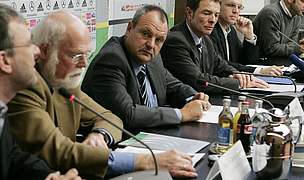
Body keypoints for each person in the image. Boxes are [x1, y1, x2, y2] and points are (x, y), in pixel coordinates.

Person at [7, 10, 197, 178]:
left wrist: (100, 135)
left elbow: (110, 118)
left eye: (86, 55)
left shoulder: (65, 82)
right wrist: (146, 161)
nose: (84, 64)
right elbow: (58, 151)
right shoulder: (26, 87)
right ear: (46, 51)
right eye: (76, 56)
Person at [82, 5, 211, 130]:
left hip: (153, 136)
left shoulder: (152, 57)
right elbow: (128, 114)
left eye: (159, 40)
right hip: (121, 143)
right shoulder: (111, 60)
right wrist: (182, 114)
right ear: (129, 28)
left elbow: (173, 86)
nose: (151, 44)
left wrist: (193, 97)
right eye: (145, 34)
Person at [0, 4, 80, 180]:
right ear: (5, 61)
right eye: (29, 44)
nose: (37, 51)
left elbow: (14, 157)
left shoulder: (2, 109)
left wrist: (49, 177)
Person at [160, 0, 269, 95]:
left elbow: (221, 66)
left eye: (216, 15)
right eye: (207, 13)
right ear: (189, 13)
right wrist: (238, 83)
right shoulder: (175, 40)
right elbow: (198, 80)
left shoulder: (205, 39)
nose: (212, 20)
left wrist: (239, 75)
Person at [210, 0, 283, 76]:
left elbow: (248, 61)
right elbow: (221, 63)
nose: (236, 11)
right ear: (218, 6)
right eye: (231, 5)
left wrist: (249, 36)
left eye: (239, 7)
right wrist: (259, 71)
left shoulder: (231, 31)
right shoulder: (210, 30)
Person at [253, 0, 304, 66]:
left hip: (280, 63)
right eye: (303, 1)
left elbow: (291, 44)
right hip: (263, 65)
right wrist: (301, 48)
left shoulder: (296, 16)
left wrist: (303, 43)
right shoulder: (271, 13)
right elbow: (271, 49)